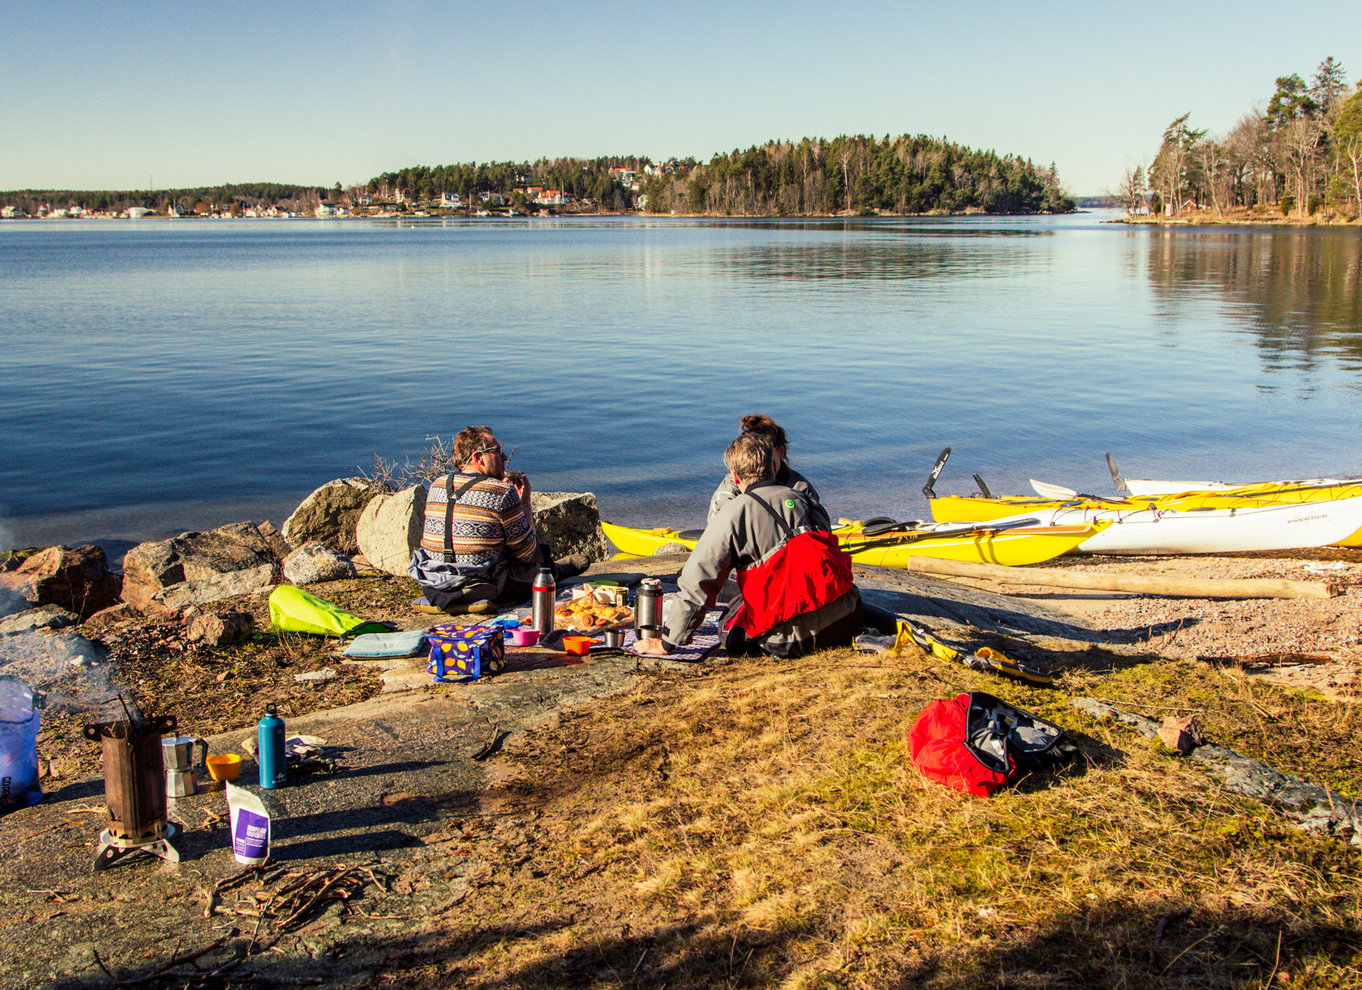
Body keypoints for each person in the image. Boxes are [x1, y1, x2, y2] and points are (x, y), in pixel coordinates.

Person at [636, 433, 860, 659]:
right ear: (773, 465)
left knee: (728, 624)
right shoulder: (805, 499)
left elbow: (697, 580)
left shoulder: (733, 513)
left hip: (791, 639)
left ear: (734, 476)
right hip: (845, 618)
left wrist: (667, 642)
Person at [408, 425, 586, 611]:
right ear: (478, 457)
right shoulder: (500, 491)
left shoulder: (437, 484)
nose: (504, 458)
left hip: (435, 582)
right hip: (482, 584)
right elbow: (527, 553)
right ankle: (556, 571)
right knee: (539, 563)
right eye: (497, 452)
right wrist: (524, 502)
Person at [708, 414, 819, 520]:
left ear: (781, 452)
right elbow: (717, 523)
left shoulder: (800, 487)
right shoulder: (731, 486)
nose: (761, 460)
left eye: (767, 454)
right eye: (753, 454)